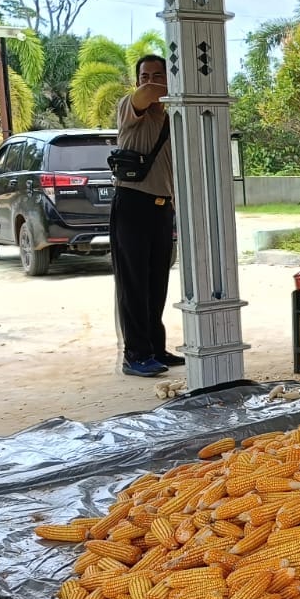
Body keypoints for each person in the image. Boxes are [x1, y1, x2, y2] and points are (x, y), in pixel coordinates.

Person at [111, 53, 180, 377]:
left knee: (157, 283)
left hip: (161, 207)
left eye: (157, 74)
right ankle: (135, 354)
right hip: (133, 204)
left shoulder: (170, 117)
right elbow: (150, 94)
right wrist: (169, 84)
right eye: (145, 76)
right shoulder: (132, 107)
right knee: (134, 284)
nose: (150, 82)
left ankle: (154, 346)